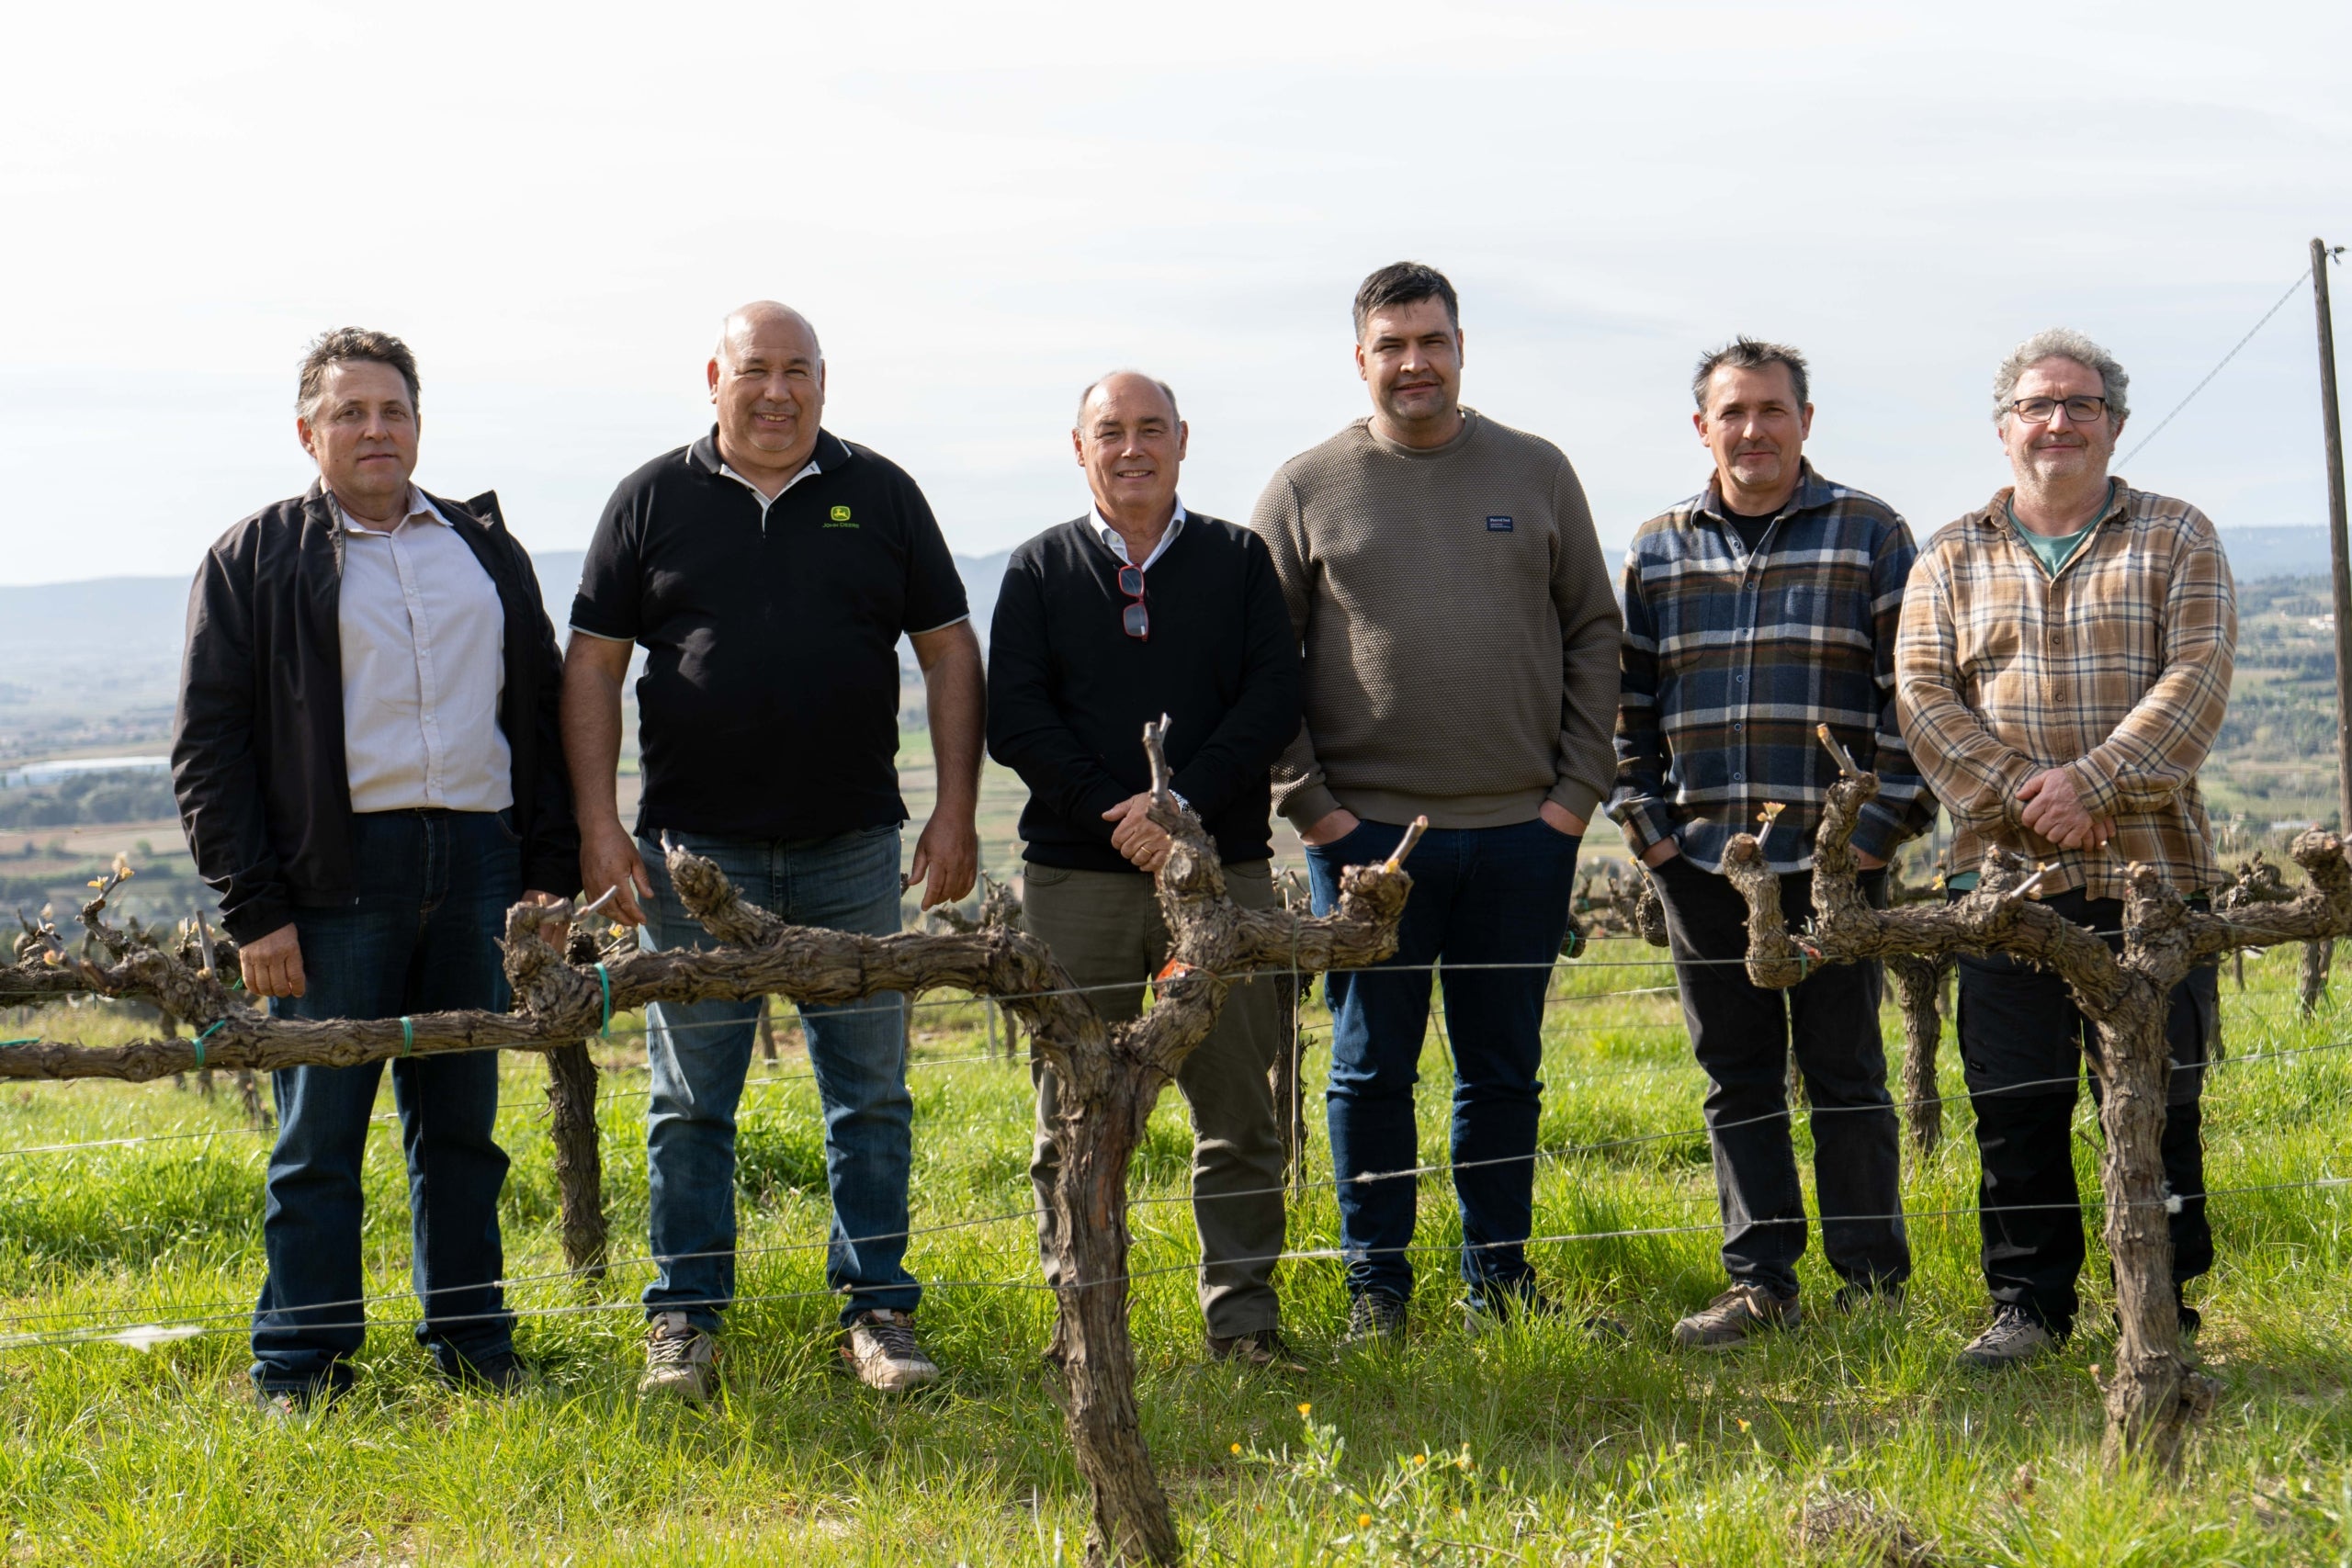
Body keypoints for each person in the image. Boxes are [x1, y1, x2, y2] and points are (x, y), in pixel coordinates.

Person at [564, 301, 983, 1400]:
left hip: (854, 849)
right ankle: (687, 1321)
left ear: (824, 382)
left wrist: (953, 810)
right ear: (714, 377)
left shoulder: (881, 493)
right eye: (757, 370)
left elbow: (948, 653)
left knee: (870, 1098)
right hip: (694, 857)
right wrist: (600, 825)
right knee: (689, 1102)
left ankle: (880, 1315)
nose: (777, 391)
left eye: (799, 371)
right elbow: (594, 669)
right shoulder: (650, 499)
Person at [174, 327, 578, 1412]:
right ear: (307, 432)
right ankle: (301, 1371)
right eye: (348, 412)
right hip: (331, 877)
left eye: (391, 409)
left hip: (481, 866)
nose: (374, 429)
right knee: (318, 1140)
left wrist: (545, 873)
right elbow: (209, 750)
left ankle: (474, 1351)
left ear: (418, 424)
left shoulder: (485, 549)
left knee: (462, 1128)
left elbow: (538, 712)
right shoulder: (253, 558)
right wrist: (255, 908)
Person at [1249, 261, 1621, 1339]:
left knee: (1502, 1070)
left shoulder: (1537, 472)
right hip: (1368, 843)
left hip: (1522, 832)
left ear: (1462, 348)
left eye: (1431, 341)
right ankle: (1378, 1291)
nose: (1414, 363)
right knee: (1369, 1072)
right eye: (1391, 345)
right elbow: (1261, 660)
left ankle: (1498, 1284)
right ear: (1359, 359)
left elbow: (1594, 630)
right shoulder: (1306, 485)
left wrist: (1573, 796)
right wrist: (1312, 807)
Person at [1896, 328, 2235, 1369]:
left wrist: (2094, 783)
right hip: (2002, 882)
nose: (2057, 422)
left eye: (2079, 405)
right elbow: (1921, 695)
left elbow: (2197, 676)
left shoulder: (2177, 537)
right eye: (2037, 405)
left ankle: (2163, 1306)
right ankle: (2029, 1309)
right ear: (2003, 428)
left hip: (2150, 878)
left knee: (2158, 1099)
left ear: (2114, 425)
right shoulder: (1950, 554)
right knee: (2014, 1105)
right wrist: (2022, 799)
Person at [1610, 338, 1931, 1349]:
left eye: (1771, 411)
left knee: (1847, 1074)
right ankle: (1760, 1285)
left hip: (1836, 864)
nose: (1752, 430)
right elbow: (1627, 711)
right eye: (1732, 412)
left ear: (1805, 421)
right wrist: (1652, 837)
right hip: (1704, 866)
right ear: (1701, 427)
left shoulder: (1869, 534)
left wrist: (1870, 843)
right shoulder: (1656, 549)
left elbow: (1910, 702)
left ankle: (1871, 1287)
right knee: (1735, 1080)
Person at [989, 371, 1303, 1367]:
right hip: (1076, 882)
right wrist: (1110, 813)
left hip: (1221, 875)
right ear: (1077, 448)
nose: (1132, 448)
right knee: (1071, 1111)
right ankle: (1080, 1322)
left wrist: (1178, 808)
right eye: (1110, 431)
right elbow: (1018, 718)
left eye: (1151, 430)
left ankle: (1243, 1321)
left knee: (1239, 1109)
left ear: (1182, 440)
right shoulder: (1037, 569)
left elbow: (1271, 700)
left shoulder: (1238, 560)